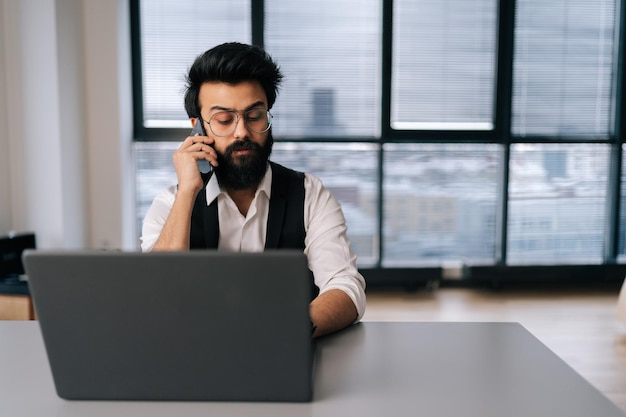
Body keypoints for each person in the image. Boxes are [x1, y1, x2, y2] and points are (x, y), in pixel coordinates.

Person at [141, 42, 366, 337]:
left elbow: (346, 287)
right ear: (198, 129)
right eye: (223, 120)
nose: (242, 132)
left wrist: (283, 331)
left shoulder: (310, 194)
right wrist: (186, 193)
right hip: (192, 359)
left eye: (254, 116)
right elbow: (155, 297)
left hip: (289, 356)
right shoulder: (171, 202)